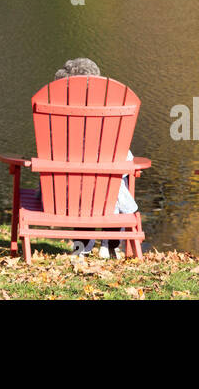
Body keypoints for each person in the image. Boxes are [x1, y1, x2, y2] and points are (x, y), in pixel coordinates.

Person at [52, 58, 138, 259]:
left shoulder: (55, 117)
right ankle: (110, 245)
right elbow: (126, 161)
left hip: (63, 194)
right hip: (105, 193)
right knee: (117, 184)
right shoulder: (110, 119)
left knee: (83, 187)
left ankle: (81, 246)